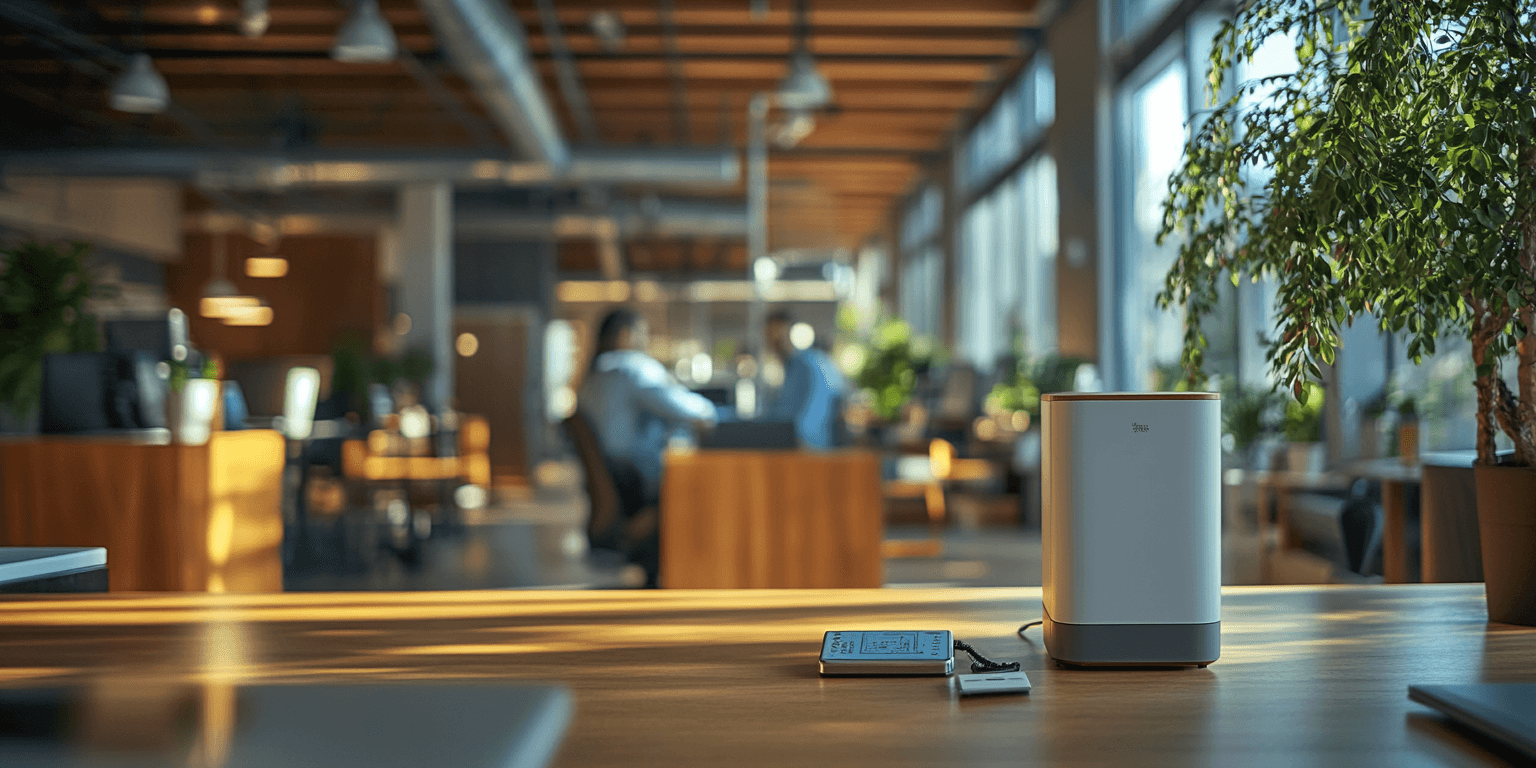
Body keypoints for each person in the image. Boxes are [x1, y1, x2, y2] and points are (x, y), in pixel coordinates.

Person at [578, 308, 717, 512]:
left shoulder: (591, 377)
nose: (646, 342)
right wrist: (709, 414)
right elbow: (692, 411)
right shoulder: (632, 367)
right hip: (635, 482)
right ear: (626, 335)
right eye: (643, 333)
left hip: (605, 488)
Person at [763, 309, 846, 449]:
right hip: (792, 452)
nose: (776, 339)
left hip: (810, 455)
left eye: (780, 333)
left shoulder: (811, 365)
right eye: (771, 334)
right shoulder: (790, 370)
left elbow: (811, 419)